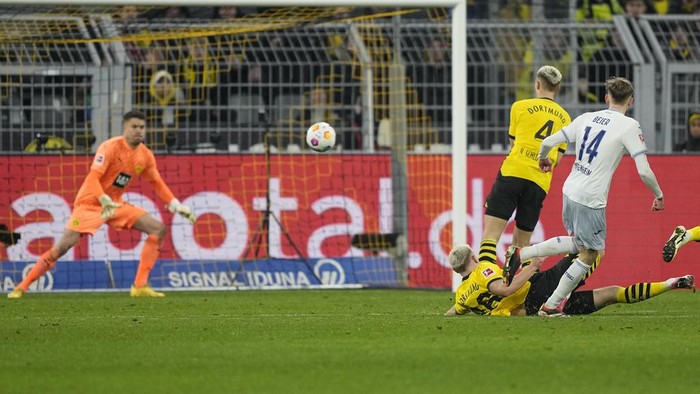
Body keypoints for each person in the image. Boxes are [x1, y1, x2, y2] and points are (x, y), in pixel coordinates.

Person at [503, 76, 665, 317]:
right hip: (591, 198)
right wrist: (659, 195)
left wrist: (543, 158)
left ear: (606, 98)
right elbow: (643, 170)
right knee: (591, 253)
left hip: (570, 190)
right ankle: (552, 305)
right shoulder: (630, 126)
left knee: (579, 243)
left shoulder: (586, 118)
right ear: (630, 100)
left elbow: (547, 142)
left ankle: (521, 253)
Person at [7, 111, 196, 299]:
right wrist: (103, 199)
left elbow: (156, 182)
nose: (138, 131)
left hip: (114, 205)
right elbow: (92, 178)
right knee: (62, 247)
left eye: (142, 127)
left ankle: (139, 286)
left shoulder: (145, 156)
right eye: (134, 127)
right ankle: (21, 287)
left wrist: (175, 204)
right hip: (90, 203)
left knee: (158, 229)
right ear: (125, 128)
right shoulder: (110, 147)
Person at [478, 65, 571, 269]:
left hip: (513, 172)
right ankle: (513, 289)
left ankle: (482, 283)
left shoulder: (519, 106)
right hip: (538, 181)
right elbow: (558, 158)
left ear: (537, 84)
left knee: (490, 236)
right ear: (559, 88)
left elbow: (513, 144)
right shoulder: (565, 118)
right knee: (522, 244)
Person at [444, 244, 695, 316]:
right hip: (538, 290)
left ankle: (671, 283)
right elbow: (503, 289)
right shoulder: (484, 269)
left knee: (610, 294)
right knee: (593, 250)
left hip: (530, 308)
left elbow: (454, 311)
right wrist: (532, 266)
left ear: (457, 271)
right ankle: (670, 283)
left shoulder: (462, 295)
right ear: (474, 257)